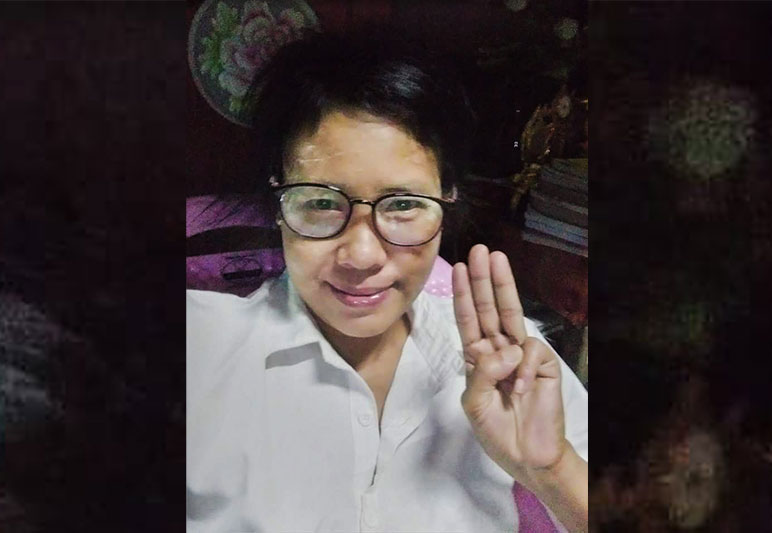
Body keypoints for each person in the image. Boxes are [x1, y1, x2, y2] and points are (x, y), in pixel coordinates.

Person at [187, 31, 588, 532]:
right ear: (277, 203)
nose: (362, 256)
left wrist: (552, 470)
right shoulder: (200, 349)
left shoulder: (513, 362)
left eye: (403, 205)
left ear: (447, 201)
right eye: (320, 202)